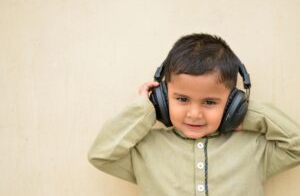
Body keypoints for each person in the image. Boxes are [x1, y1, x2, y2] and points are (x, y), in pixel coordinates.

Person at [88, 33, 300, 196]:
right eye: (182, 99)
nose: (194, 113)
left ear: (231, 104)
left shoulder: (254, 148)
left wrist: (247, 112)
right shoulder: (144, 149)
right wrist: (144, 110)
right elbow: (101, 155)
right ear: (162, 97)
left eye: (209, 102)